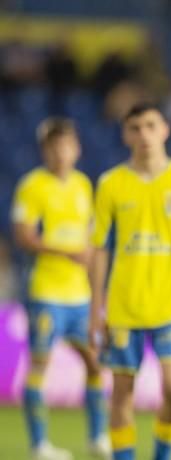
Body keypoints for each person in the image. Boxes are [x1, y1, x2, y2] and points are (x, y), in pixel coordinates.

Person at [88, 103, 171, 460]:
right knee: (122, 391)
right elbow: (99, 250)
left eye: (151, 125)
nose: (144, 134)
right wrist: (98, 306)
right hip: (125, 306)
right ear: (126, 134)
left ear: (165, 130)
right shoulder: (111, 183)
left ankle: (162, 456)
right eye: (135, 127)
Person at [11, 117, 110, 460]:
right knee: (40, 364)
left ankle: (97, 438)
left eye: (66, 145)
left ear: (77, 148)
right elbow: (23, 235)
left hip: (79, 296)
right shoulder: (32, 185)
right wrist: (66, 252)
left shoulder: (84, 185)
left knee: (96, 364)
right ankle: (39, 445)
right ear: (44, 151)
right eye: (54, 147)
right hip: (47, 292)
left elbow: (91, 238)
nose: (61, 153)